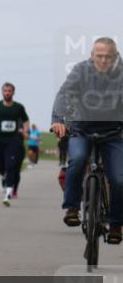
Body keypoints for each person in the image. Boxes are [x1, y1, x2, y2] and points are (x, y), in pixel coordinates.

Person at [51, 37, 123, 243]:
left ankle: (116, 224)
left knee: (119, 178)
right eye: (99, 56)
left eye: (108, 57)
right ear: (91, 56)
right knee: (78, 159)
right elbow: (63, 94)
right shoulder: (80, 71)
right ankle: (72, 208)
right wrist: (58, 120)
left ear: (115, 57)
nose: (103, 60)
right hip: (82, 130)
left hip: (113, 133)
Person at [0, 82, 29, 207]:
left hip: (13, 140)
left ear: (13, 92)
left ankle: (8, 193)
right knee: (2, 167)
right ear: (2, 92)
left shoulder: (18, 107)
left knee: (11, 165)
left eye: (9, 91)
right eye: (5, 91)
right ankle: (3, 177)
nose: (7, 93)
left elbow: (25, 120)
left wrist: (25, 131)